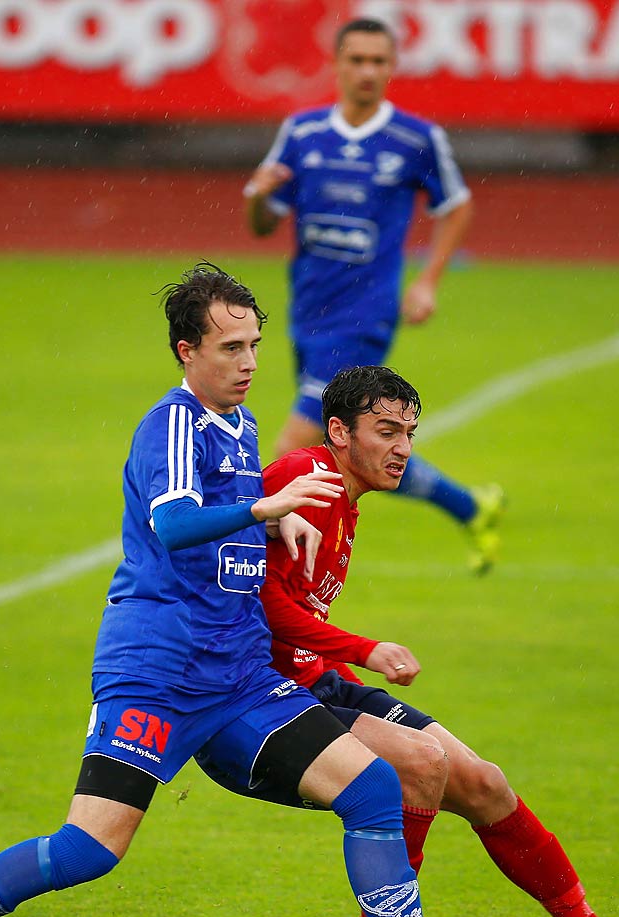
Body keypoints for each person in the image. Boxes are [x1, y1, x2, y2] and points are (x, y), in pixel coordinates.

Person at [0, 264, 528, 917]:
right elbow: (173, 524)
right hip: (157, 673)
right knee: (89, 849)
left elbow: (226, 519)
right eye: (230, 347)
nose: (248, 363)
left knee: (372, 789)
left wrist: (269, 523)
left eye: (255, 346)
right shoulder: (172, 423)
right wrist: (267, 506)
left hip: (236, 674)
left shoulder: (243, 427)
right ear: (185, 351)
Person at [255, 364, 619, 917]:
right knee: (420, 765)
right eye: (386, 431)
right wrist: (364, 649)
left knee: (485, 782)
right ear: (339, 432)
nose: (404, 448)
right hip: (271, 695)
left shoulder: (344, 500)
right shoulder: (305, 480)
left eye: (409, 432)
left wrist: (345, 661)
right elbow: (260, 603)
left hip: (323, 678)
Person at [242, 17, 506, 576]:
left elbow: (456, 205)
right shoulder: (303, 132)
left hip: (363, 317)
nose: (367, 71)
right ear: (336, 64)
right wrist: (259, 198)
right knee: (353, 443)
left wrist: (428, 279)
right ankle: (472, 507)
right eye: (356, 59)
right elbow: (263, 223)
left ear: (392, 67)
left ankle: (243, 552)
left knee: (299, 437)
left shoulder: (414, 139)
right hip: (307, 311)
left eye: (378, 61)